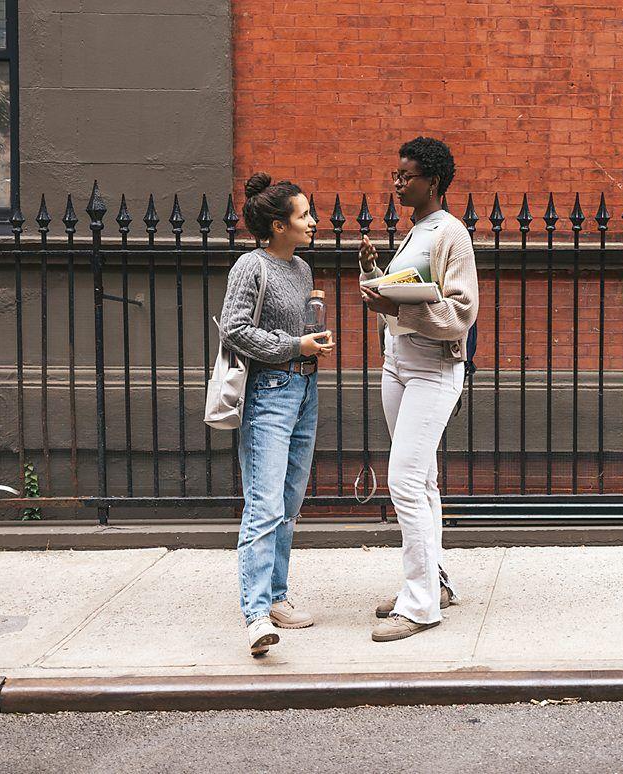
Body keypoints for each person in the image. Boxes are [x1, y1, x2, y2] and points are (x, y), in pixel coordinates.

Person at [359, 137, 479, 642]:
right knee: (422, 483)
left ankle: (422, 606)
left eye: (406, 176)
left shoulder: (452, 234)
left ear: (432, 181)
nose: (397, 182)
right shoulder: (415, 233)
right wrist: (373, 273)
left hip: (433, 369)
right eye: (396, 174)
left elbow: (459, 313)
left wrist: (396, 309)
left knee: (404, 483)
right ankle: (436, 582)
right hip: (397, 365)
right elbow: (404, 291)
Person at [219, 173, 334, 656]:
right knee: (263, 505)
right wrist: (294, 344)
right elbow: (233, 329)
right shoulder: (251, 266)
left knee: (288, 502)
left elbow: (297, 326)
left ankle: (279, 596)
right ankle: (255, 614)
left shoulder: (302, 269)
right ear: (277, 224)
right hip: (269, 391)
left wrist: (312, 343)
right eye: (304, 214)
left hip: (304, 387)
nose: (312, 221)